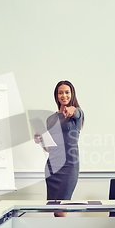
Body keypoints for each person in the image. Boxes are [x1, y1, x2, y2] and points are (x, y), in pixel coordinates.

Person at [34, 80, 84, 217]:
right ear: (56, 96)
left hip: (69, 166)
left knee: (62, 209)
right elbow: (50, 148)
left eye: (67, 92)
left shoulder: (77, 114)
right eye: (60, 92)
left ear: (72, 94)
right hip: (52, 166)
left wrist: (72, 110)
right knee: (56, 211)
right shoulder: (51, 118)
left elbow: (76, 112)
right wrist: (41, 141)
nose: (64, 95)